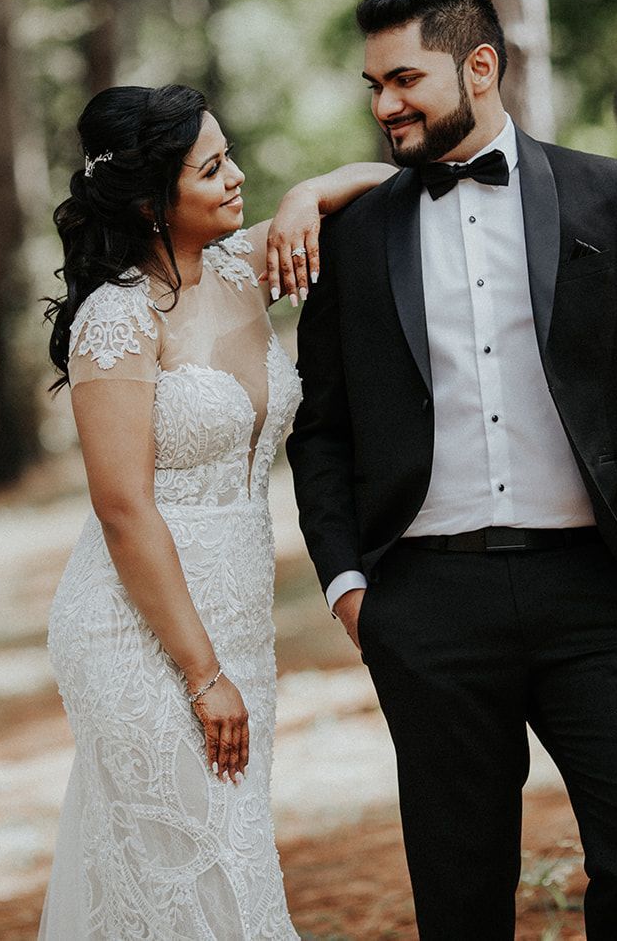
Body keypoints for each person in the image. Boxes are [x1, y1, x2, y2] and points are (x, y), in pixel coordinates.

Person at [286, 0, 617, 939]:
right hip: (426, 604)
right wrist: (350, 582)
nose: (384, 104)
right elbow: (322, 430)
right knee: (459, 878)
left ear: (478, 67)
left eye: (403, 79)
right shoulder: (352, 235)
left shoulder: (613, 197)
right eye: (373, 86)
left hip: (597, 588)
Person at [38, 83, 393, 940]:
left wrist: (306, 194)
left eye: (229, 155)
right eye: (211, 167)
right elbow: (123, 510)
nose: (237, 178)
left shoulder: (243, 269)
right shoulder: (115, 320)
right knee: (196, 883)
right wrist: (202, 675)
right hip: (141, 633)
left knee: (228, 859)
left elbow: (386, 180)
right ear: (150, 200)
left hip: (239, 623)